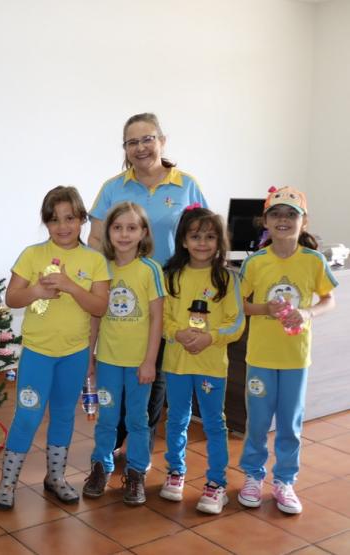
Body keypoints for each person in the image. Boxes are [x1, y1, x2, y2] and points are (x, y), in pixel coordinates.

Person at [89, 113, 208, 464]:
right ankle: (118, 436)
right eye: (132, 142)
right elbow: (96, 238)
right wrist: (100, 285)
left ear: (162, 140)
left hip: (170, 294)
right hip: (122, 294)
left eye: (147, 139)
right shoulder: (113, 187)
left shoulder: (186, 184)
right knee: (118, 364)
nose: (140, 147)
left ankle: (136, 442)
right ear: (124, 148)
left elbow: (201, 236)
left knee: (153, 370)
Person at [0, 186, 110, 509]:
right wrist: (35, 293)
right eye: (54, 219)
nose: (63, 226)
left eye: (70, 218)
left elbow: (100, 307)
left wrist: (71, 286)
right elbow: (11, 298)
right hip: (37, 354)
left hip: (73, 355)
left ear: (82, 219)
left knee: (62, 416)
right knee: (27, 416)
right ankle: (7, 483)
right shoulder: (33, 255)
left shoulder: (94, 261)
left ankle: (55, 477)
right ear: (46, 223)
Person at [237, 186, 337, 514]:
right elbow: (242, 305)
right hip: (261, 358)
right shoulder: (254, 263)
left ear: (303, 222)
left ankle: (284, 481)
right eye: (276, 214)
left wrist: (307, 312)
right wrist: (265, 308)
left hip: (296, 358)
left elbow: (328, 299)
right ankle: (253, 476)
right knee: (258, 421)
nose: (283, 220)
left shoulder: (313, 261)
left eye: (291, 215)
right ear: (265, 220)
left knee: (291, 423)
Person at [159, 206, 244, 514]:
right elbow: (163, 317)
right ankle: (175, 472)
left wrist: (211, 337)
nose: (203, 243)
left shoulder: (228, 279)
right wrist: (177, 333)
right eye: (195, 236)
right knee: (177, 419)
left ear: (219, 242)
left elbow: (236, 323)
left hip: (211, 367)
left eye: (210, 237)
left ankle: (216, 483)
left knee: (213, 423)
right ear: (183, 240)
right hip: (177, 363)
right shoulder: (171, 277)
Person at [82, 202, 164, 506]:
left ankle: (135, 473)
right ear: (108, 232)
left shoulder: (150, 270)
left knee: (137, 420)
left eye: (132, 228)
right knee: (107, 418)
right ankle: (101, 467)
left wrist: (149, 361)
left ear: (143, 232)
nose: (124, 234)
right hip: (108, 361)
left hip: (138, 364)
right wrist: (90, 355)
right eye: (117, 228)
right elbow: (95, 315)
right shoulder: (101, 269)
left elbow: (157, 318)